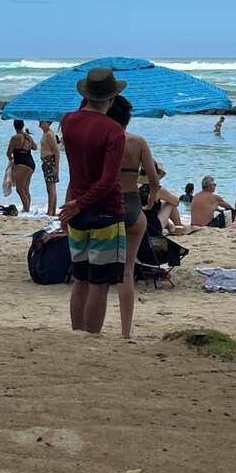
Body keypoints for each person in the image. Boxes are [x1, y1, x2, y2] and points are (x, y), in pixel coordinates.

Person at [58, 67, 127, 335]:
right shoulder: (114, 131)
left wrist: (75, 204)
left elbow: (82, 119)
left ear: (86, 94)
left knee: (81, 279)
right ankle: (92, 335)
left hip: (76, 211)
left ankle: (77, 333)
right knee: (99, 283)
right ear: (111, 97)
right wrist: (81, 203)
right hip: (105, 211)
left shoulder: (68, 121)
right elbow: (108, 181)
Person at [107, 95, 159, 339]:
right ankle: (125, 332)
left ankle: (92, 327)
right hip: (133, 207)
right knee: (127, 273)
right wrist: (151, 199)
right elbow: (154, 180)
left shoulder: (104, 140)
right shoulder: (138, 142)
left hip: (109, 207)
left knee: (100, 271)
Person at [139, 161, 184, 234]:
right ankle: (180, 227)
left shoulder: (136, 186)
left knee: (158, 205)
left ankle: (170, 227)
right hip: (152, 228)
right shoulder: (157, 189)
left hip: (138, 227)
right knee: (170, 204)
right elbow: (176, 202)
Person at [6, 120, 36, 212]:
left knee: (20, 189)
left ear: (14, 126)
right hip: (31, 162)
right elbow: (35, 147)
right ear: (23, 125)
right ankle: (27, 208)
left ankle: (26, 210)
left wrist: (11, 159)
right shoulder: (28, 136)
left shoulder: (15, 137)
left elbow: (8, 153)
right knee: (26, 188)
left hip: (22, 163)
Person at [38, 121, 60, 216]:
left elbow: (56, 151)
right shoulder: (45, 134)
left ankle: (50, 211)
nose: (40, 123)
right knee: (51, 187)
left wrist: (56, 167)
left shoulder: (50, 134)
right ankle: (53, 211)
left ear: (48, 123)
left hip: (50, 161)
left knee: (50, 187)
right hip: (46, 162)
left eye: (42, 122)